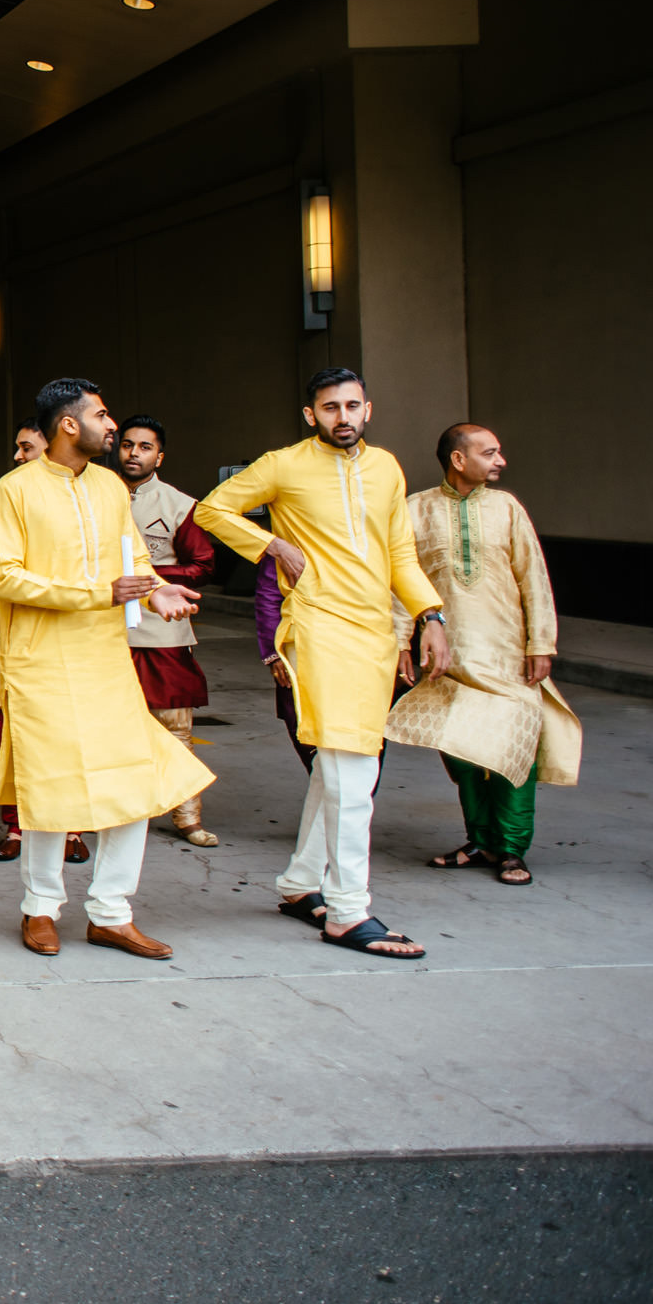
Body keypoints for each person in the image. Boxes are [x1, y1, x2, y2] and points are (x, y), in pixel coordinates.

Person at [195, 369, 449, 960]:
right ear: (311, 415)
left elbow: (400, 553)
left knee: (339, 766)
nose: (343, 417)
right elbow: (211, 510)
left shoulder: (385, 467)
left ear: (368, 410)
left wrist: (429, 615)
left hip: (374, 633)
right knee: (353, 772)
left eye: (352, 406)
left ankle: (300, 883)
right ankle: (348, 911)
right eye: (330, 408)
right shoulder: (283, 464)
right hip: (316, 630)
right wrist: (269, 544)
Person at [0, 381, 212, 960]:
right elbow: (5, 577)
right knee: (50, 791)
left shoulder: (110, 486)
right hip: (42, 664)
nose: (111, 427)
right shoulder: (14, 491)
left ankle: (111, 912)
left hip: (108, 661)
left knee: (130, 785)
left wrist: (159, 591)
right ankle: (40, 909)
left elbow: (132, 556)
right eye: (101, 415)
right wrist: (97, 592)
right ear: (67, 424)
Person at [386, 424, 580, 886]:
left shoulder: (508, 508)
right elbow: (399, 583)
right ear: (458, 460)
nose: (500, 461)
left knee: (516, 751)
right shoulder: (416, 509)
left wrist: (541, 643)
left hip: (508, 656)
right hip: (448, 658)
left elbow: (534, 577)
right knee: (464, 750)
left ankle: (512, 849)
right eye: (490, 453)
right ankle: (481, 841)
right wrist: (399, 642)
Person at [0, 420, 85, 865]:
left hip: (74, 639)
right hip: (14, 636)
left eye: (26, 447)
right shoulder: (10, 493)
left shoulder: (92, 493)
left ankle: (70, 828)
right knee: (5, 730)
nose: (17, 456)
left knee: (67, 737)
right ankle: (18, 826)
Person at [115, 417, 221, 846]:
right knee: (108, 725)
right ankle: (113, 811)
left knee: (174, 727)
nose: (133, 454)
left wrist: (146, 576)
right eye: (126, 445)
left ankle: (187, 816)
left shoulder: (179, 504)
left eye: (144, 447)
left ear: (159, 456)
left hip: (163, 633)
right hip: (104, 630)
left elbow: (203, 565)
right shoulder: (96, 495)